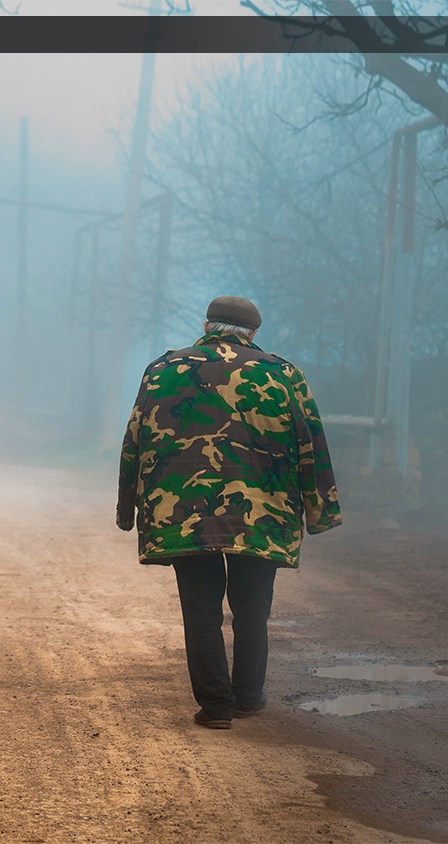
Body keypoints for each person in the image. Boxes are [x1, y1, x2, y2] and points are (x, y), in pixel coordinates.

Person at [116, 296, 341, 730]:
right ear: (254, 334)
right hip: (262, 512)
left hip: (184, 511)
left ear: (206, 326)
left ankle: (216, 706)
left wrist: (128, 509)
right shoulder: (283, 375)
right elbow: (312, 443)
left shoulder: (162, 371)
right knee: (252, 608)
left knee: (201, 610)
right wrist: (320, 511)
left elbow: (135, 441)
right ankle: (248, 697)